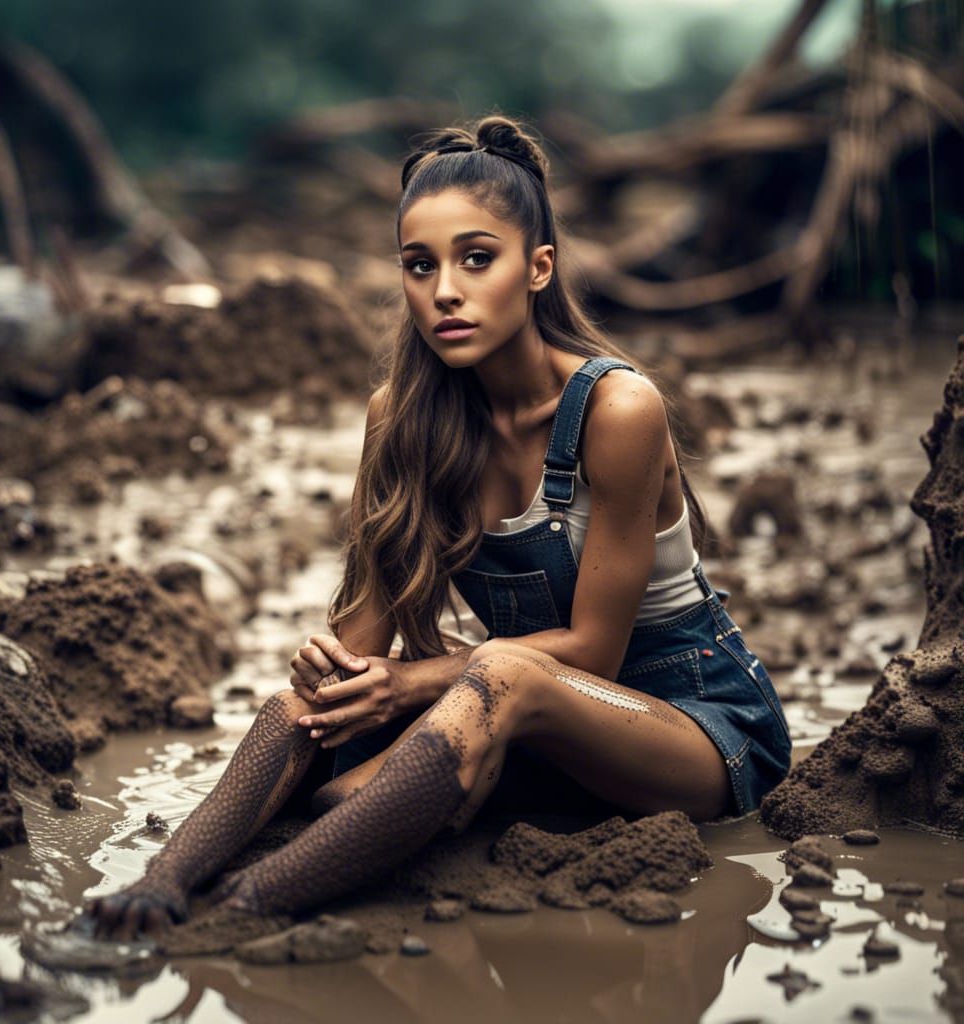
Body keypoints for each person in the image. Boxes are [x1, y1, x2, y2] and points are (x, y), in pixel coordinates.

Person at [84, 113, 791, 943]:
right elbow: (362, 640)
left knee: (497, 676)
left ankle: (247, 911)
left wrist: (414, 685)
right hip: (529, 720)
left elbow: (594, 652)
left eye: (476, 258)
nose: (445, 290)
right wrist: (335, 668)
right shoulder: (400, 417)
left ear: (538, 269)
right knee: (306, 709)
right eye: (420, 267)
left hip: (691, 717)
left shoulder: (615, 407)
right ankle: (162, 884)